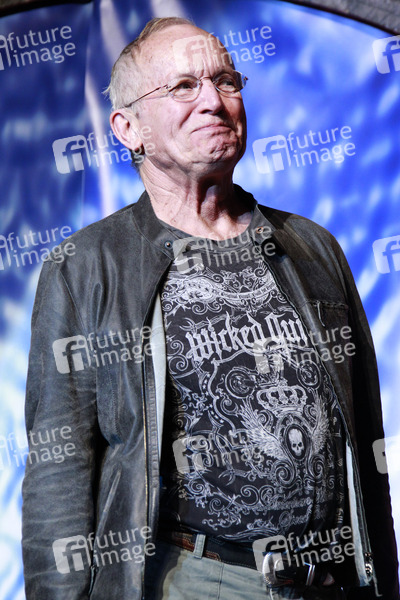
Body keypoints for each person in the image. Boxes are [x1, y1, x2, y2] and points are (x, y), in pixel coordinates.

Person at [22, 16, 399, 600]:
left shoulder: (313, 247)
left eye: (225, 81)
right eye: (182, 87)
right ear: (128, 128)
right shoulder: (86, 265)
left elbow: (367, 439)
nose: (214, 102)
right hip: (192, 581)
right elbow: (58, 475)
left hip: (328, 581)